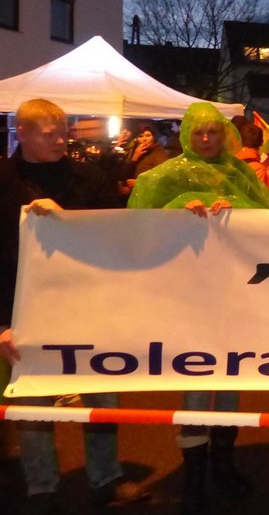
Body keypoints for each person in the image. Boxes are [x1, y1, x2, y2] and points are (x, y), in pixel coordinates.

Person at [128, 102, 269, 514]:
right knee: (197, 379)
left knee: (230, 376)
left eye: (214, 132)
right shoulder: (166, 176)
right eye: (199, 133)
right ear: (187, 136)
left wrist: (238, 210)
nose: (207, 139)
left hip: (233, 292)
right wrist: (176, 210)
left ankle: (223, 465)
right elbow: (136, 226)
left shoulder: (240, 173)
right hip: (190, 294)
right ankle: (194, 478)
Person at [0, 99, 149, 513]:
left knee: (102, 397)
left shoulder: (90, 179)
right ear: (23, 133)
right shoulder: (3, 183)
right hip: (24, 311)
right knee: (33, 404)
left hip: (88, 306)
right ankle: (41, 489)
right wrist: (1, 325)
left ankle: (106, 478)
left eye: (63, 132)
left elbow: (113, 238)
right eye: (50, 134)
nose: (61, 141)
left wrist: (66, 221)